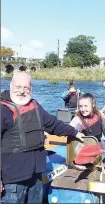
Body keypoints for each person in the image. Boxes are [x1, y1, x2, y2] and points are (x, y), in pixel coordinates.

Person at [1, 72, 84, 203]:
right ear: (10, 86)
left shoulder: (35, 106)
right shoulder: (3, 110)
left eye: (26, 88)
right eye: (18, 87)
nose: (22, 91)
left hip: (36, 174)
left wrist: (74, 132)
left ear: (31, 89)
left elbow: (52, 123)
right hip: (13, 178)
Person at [70, 93, 105, 163]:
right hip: (86, 150)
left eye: (86, 106)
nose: (83, 109)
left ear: (93, 104)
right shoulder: (77, 120)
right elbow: (73, 141)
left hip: (99, 143)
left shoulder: (99, 115)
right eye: (80, 106)